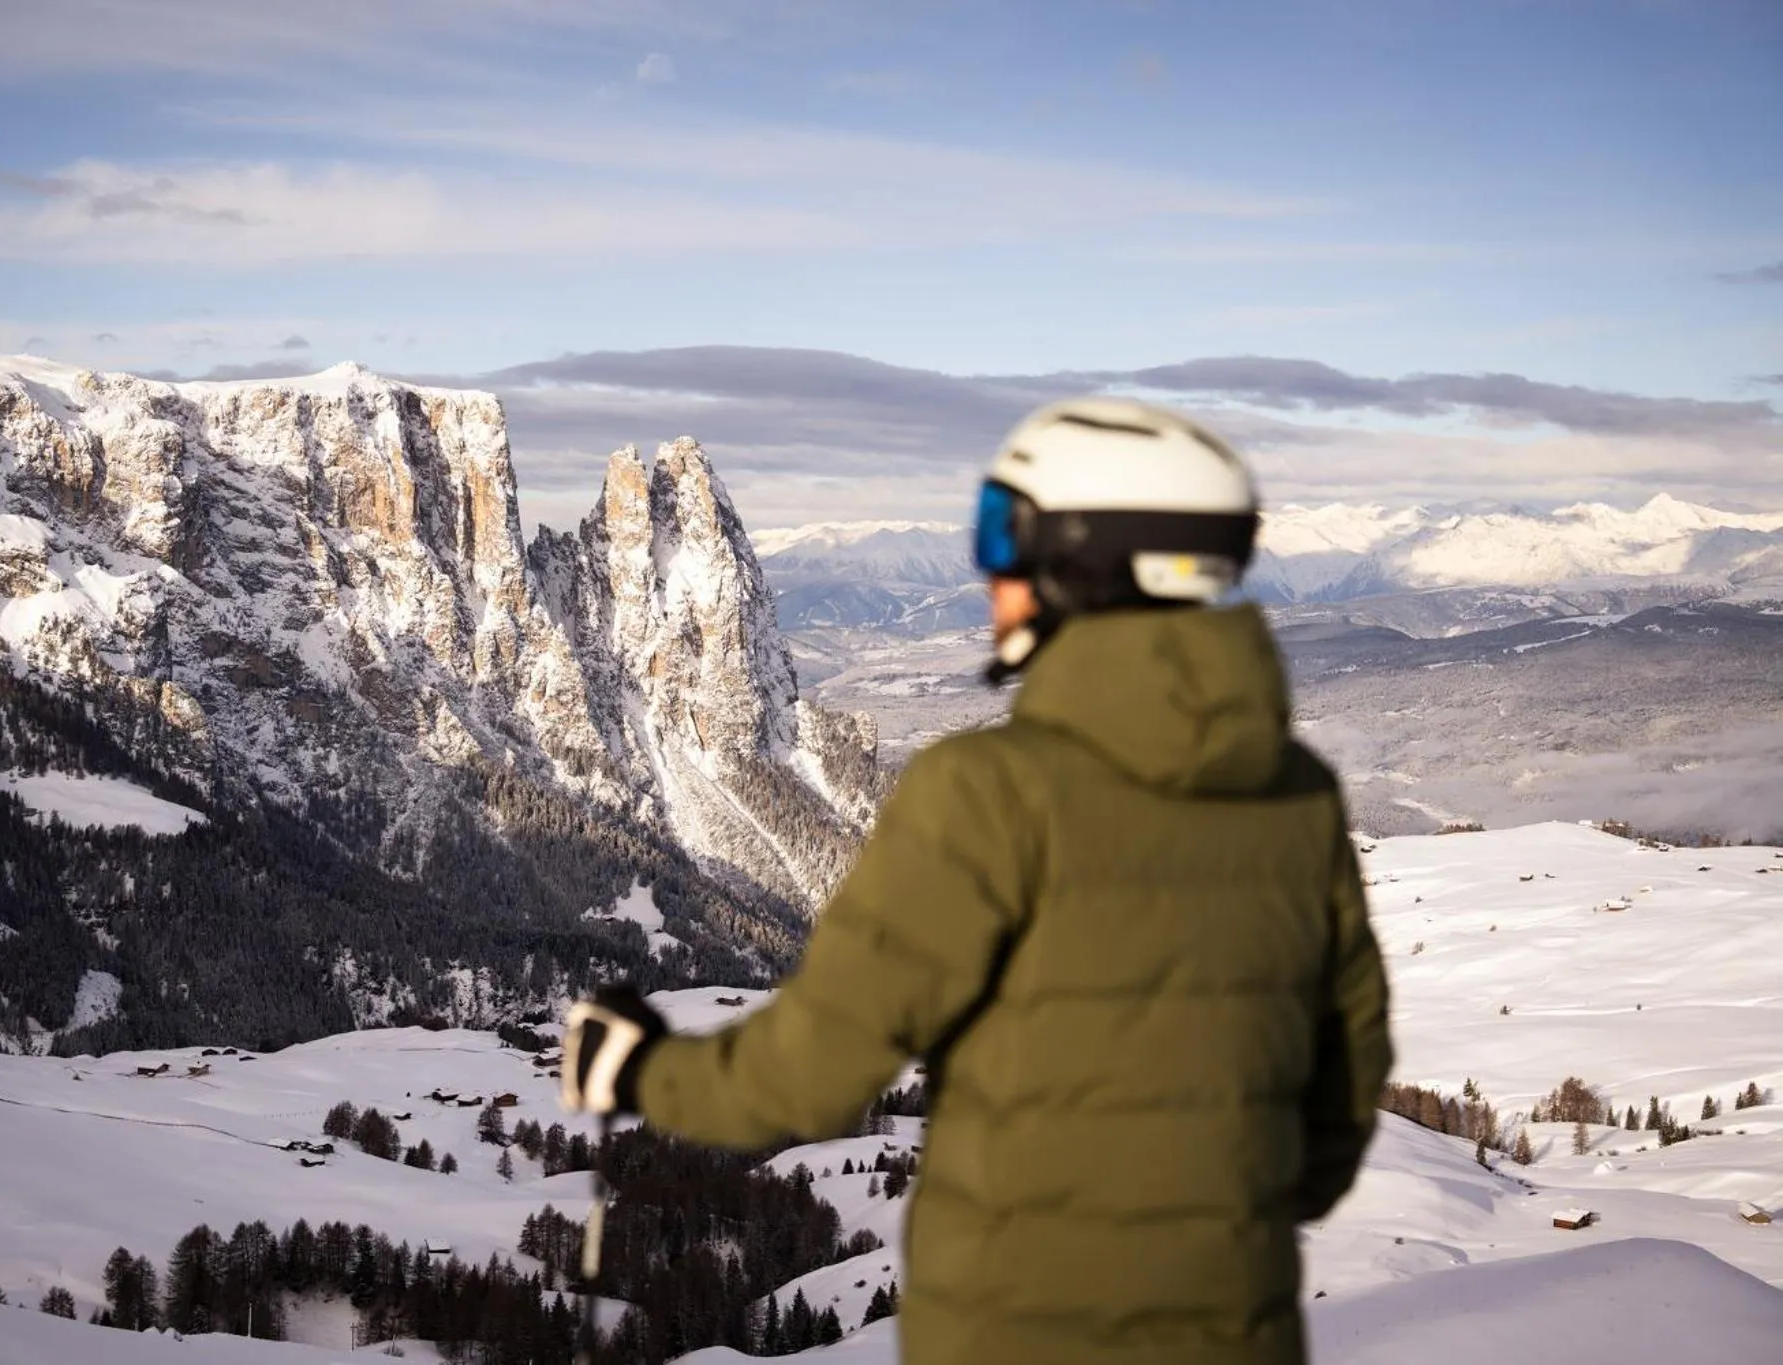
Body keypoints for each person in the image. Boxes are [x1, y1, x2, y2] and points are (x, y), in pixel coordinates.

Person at [562, 398, 1393, 1365]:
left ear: (1087, 562)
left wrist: (638, 1069)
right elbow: (1338, 1102)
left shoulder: (990, 792)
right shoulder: (1299, 798)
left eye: (1007, 537)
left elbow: (810, 1073)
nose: (990, 577)